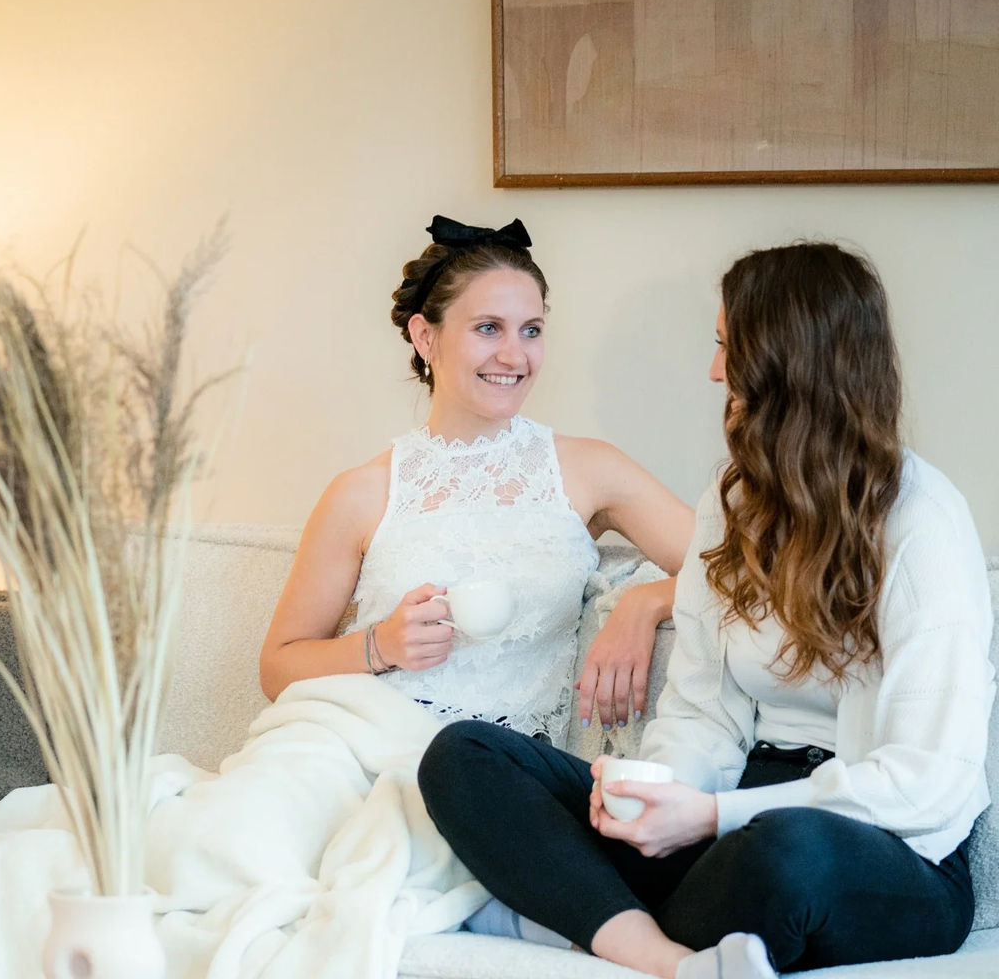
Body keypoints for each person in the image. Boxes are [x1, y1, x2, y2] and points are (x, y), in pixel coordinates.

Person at [417, 242, 995, 978]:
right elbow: (702, 713)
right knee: (467, 756)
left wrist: (717, 817)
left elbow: (927, 784)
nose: (715, 372)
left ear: (788, 360)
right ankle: (663, 955)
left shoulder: (923, 522)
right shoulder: (735, 501)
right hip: (733, 821)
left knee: (785, 851)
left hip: (883, 852)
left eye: (728, 347)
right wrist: (656, 800)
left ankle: (573, 916)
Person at [260, 214, 694, 750]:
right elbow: (277, 667)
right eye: (488, 328)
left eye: (531, 330)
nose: (514, 356)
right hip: (355, 743)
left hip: (499, 768)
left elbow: (744, 570)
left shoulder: (590, 469)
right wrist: (380, 646)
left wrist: (643, 604)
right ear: (425, 336)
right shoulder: (362, 491)